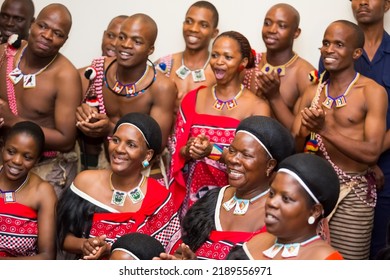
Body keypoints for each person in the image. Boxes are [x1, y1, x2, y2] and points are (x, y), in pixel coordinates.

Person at [292, 20, 388, 259]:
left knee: (348, 264)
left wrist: (323, 129)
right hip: (313, 191)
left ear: (356, 53)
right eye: (326, 43)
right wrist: (304, 131)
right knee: (309, 262)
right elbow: (294, 150)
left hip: (354, 194)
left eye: (339, 44)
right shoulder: (312, 92)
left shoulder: (372, 92)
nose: (329, 49)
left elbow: (371, 153)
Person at [169, 31, 271, 217]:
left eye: (228, 57)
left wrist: (213, 152)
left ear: (243, 62)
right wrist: (190, 149)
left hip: (235, 203)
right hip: (192, 203)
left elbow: (256, 165)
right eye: (215, 55)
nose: (218, 61)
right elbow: (178, 151)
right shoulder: (192, 99)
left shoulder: (257, 107)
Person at [165, 116, 295, 260]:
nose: (233, 159)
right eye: (232, 151)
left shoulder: (277, 217)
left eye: (246, 155)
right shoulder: (213, 201)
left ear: (270, 165)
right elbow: (186, 250)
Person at [57, 113, 180, 260]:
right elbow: (61, 236)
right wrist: (84, 244)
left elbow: (170, 252)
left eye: (131, 144)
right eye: (115, 140)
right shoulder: (85, 183)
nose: (119, 149)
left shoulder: (159, 197)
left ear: (147, 155)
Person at [76, 13, 176, 176]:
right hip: (102, 163)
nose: (126, 45)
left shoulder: (161, 87)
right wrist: (81, 112)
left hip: (142, 170)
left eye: (137, 41)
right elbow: (68, 95)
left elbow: (157, 144)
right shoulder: (96, 71)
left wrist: (109, 129)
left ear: (150, 50)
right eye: (122, 37)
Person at [0, 3, 82, 197]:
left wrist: (12, 121)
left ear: (65, 40)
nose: (47, 35)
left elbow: (66, 139)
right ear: (33, 24)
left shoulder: (66, 76)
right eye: (43, 26)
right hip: (6, 156)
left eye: (58, 33)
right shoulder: (5, 53)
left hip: (47, 165)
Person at [228, 153, 343, 260]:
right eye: (272, 194)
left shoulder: (326, 260)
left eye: (286, 199)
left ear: (314, 211)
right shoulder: (254, 243)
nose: (271, 203)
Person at [350, 0, 390, 259]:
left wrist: (371, 155)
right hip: (345, 166)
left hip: (386, 164)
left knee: (379, 246)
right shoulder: (337, 49)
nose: (362, 2)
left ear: (387, 5)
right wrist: (361, 160)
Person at [244, 3, 316, 130]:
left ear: (296, 33)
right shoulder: (250, 62)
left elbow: (299, 134)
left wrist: (274, 97)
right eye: (267, 23)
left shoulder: (304, 73)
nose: (271, 30)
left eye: (281, 26)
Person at [0, 121, 56, 259]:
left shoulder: (43, 192)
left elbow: (47, 256)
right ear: (2, 148)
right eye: (11, 152)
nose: (17, 161)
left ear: (37, 160)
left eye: (27, 157)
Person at [77, 15, 126, 171]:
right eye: (110, 35)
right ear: (104, 35)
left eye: (121, 38)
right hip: (84, 163)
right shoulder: (79, 76)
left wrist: (110, 127)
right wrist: (78, 113)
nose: (113, 43)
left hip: (121, 165)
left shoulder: (137, 86)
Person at [155, 1, 219, 108]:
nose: (193, 29)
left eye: (203, 25)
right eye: (189, 21)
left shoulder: (219, 71)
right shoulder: (164, 64)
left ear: (214, 33)